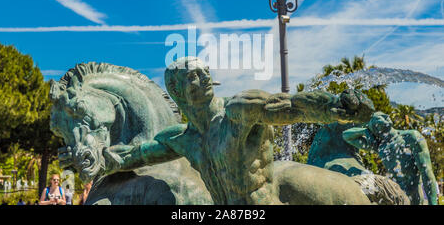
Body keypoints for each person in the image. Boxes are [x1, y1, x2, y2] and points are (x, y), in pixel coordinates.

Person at [103, 57, 375, 204]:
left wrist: (335, 107)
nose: (204, 78)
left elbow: (289, 106)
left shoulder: (238, 112)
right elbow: (135, 156)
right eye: (193, 76)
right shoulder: (182, 139)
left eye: (205, 72)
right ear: (176, 90)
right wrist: (95, 159)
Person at [343, 112, 438, 205]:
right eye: (373, 127)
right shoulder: (380, 147)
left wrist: (432, 203)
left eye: (376, 123)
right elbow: (346, 136)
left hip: (414, 198)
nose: (375, 127)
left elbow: (427, 173)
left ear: (388, 119)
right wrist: (364, 131)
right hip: (393, 196)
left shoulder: (410, 137)